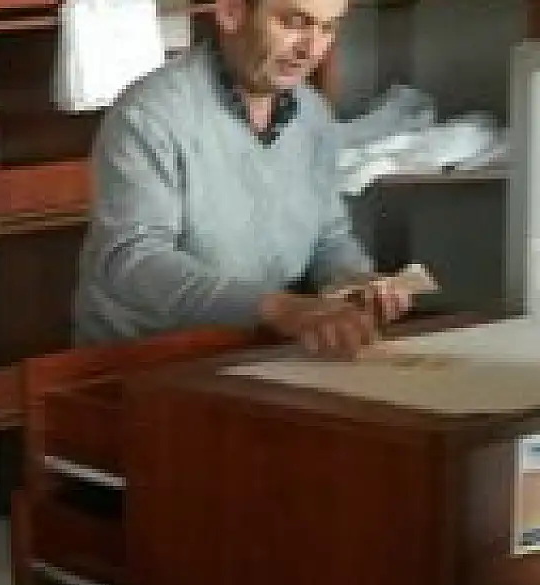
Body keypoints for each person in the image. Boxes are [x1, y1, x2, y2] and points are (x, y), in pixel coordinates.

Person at [73, 0, 414, 358]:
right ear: (230, 12)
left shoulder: (313, 116)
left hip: (262, 349)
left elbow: (328, 238)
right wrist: (279, 309)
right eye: (294, 22)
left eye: (328, 28)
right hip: (147, 359)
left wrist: (354, 280)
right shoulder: (150, 114)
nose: (311, 50)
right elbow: (134, 262)